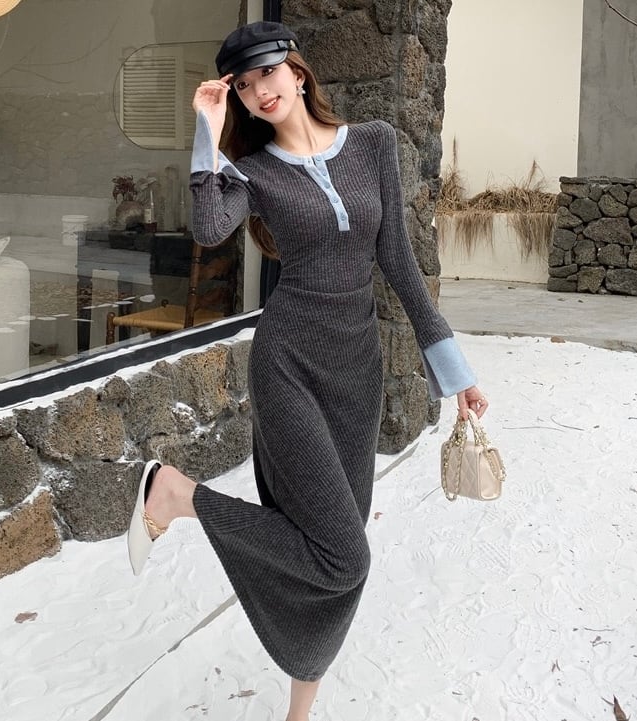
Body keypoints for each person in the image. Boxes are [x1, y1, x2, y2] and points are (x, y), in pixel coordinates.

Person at [127, 20, 489, 721]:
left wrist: (454, 369)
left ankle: (300, 708)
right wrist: (207, 129)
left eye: (267, 73)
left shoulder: (374, 143)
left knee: (335, 556)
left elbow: (399, 262)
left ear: (296, 72)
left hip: (356, 372)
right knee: (344, 557)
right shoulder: (254, 172)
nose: (258, 90)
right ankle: (175, 494)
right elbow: (209, 227)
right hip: (288, 361)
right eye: (242, 84)